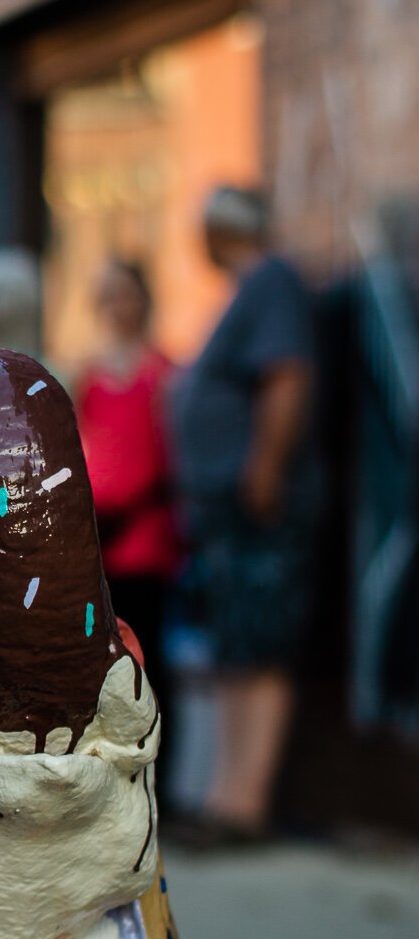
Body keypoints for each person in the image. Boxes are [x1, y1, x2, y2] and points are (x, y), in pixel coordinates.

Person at [171, 185, 320, 842]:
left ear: (223, 228)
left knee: (260, 645)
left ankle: (246, 804)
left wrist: (265, 468)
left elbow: (287, 375)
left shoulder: (273, 282)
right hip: (226, 508)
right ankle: (226, 797)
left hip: (259, 503)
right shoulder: (249, 290)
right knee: (236, 646)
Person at [74, 258, 180, 741]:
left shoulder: (163, 374)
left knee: (149, 651)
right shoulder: (88, 378)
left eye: (128, 293)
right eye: (110, 294)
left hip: (146, 536)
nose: (120, 306)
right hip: (100, 538)